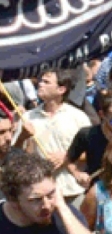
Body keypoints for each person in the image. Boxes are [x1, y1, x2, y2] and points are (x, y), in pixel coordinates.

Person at [15, 69, 92, 201]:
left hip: (71, 191)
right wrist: (22, 137)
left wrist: (67, 157)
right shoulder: (28, 117)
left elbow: (91, 151)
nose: (40, 84)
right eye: (40, 81)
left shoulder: (78, 117)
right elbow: (15, 153)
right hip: (39, 194)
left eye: (46, 82)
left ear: (61, 89)